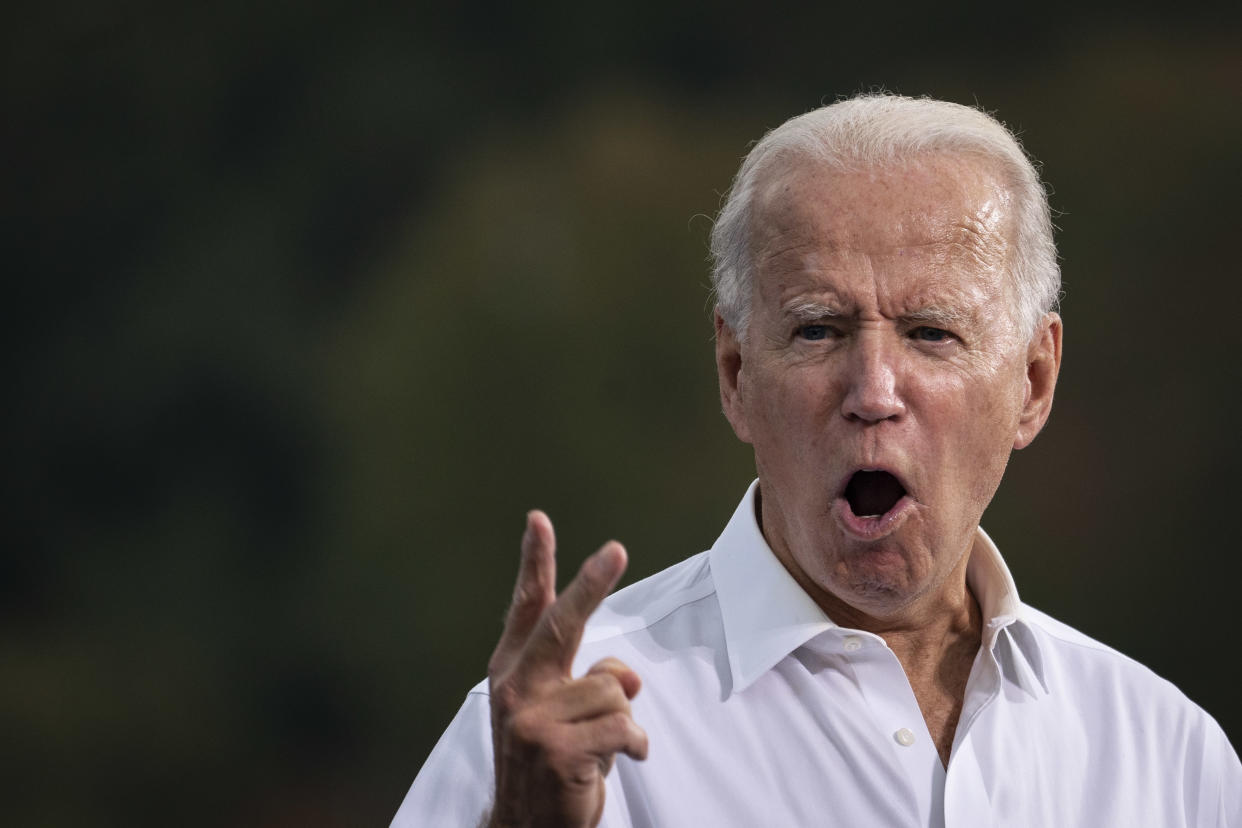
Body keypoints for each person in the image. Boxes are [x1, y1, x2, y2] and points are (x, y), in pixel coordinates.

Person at [393, 94, 1242, 827]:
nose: (873, 389)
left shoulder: (1166, 755)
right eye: (818, 330)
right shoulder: (558, 728)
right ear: (735, 376)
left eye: (931, 333)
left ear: (1034, 380)